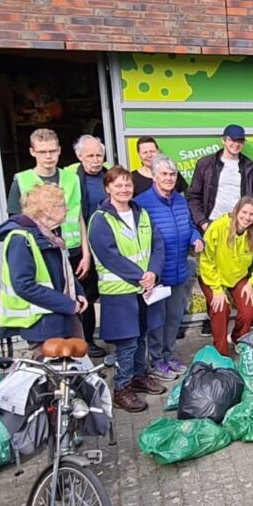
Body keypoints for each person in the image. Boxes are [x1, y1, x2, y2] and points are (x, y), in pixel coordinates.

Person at [5, 129, 94, 349]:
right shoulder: (22, 181)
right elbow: (25, 285)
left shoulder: (72, 178)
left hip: (67, 249)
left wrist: (86, 253)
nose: (48, 156)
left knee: (80, 306)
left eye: (53, 151)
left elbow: (79, 216)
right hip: (41, 254)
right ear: (32, 152)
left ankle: (84, 344)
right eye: (43, 151)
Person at [88, 166, 166, 412]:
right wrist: (141, 276)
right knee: (127, 342)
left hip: (144, 288)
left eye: (128, 185)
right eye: (118, 185)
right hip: (119, 291)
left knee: (141, 335)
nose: (124, 189)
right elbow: (109, 255)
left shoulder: (141, 213)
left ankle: (138, 376)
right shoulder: (100, 219)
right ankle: (121, 388)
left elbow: (157, 244)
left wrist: (153, 272)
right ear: (108, 188)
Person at [0, 184, 89, 349]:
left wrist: (78, 293)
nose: (67, 209)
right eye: (61, 205)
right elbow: (24, 285)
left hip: (63, 316)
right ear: (46, 210)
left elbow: (63, 271)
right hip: (42, 325)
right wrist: (67, 304)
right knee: (51, 365)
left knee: (76, 361)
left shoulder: (51, 234)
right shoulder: (21, 239)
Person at [135, 155, 202, 381]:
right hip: (157, 273)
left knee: (174, 317)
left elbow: (189, 226)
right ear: (154, 176)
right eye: (164, 174)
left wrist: (195, 237)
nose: (169, 178)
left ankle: (169, 355)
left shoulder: (181, 201)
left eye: (172, 174)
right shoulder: (142, 203)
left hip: (179, 270)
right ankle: (156, 361)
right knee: (156, 321)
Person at [198, 197, 253, 355]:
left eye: (252, 214)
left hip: (238, 277)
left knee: (248, 311)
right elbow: (206, 260)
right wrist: (217, 290)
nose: (247, 217)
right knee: (221, 309)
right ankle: (221, 353)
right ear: (236, 211)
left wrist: (251, 282)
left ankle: (238, 339)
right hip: (212, 275)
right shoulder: (217, 227)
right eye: (244, 212)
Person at [64, 135, 109, 358]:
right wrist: (84, 252)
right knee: (86, 295)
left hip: (107, 245)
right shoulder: (70, 178)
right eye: (90, 155)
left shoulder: (109, 175)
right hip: (80, 247)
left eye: (99, 155)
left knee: (107, 291)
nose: (95, 160)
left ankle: (110, 334)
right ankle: (86, 340)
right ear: (79, 156)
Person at [186, 124, 253, 233]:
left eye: (240, 141)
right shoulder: (205, 164)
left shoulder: (248, 166)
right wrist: (203, 223)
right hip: (212, 223)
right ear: (223, 140)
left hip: (239, 225)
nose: (236, 144)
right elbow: (193, 196)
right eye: (232, 140)